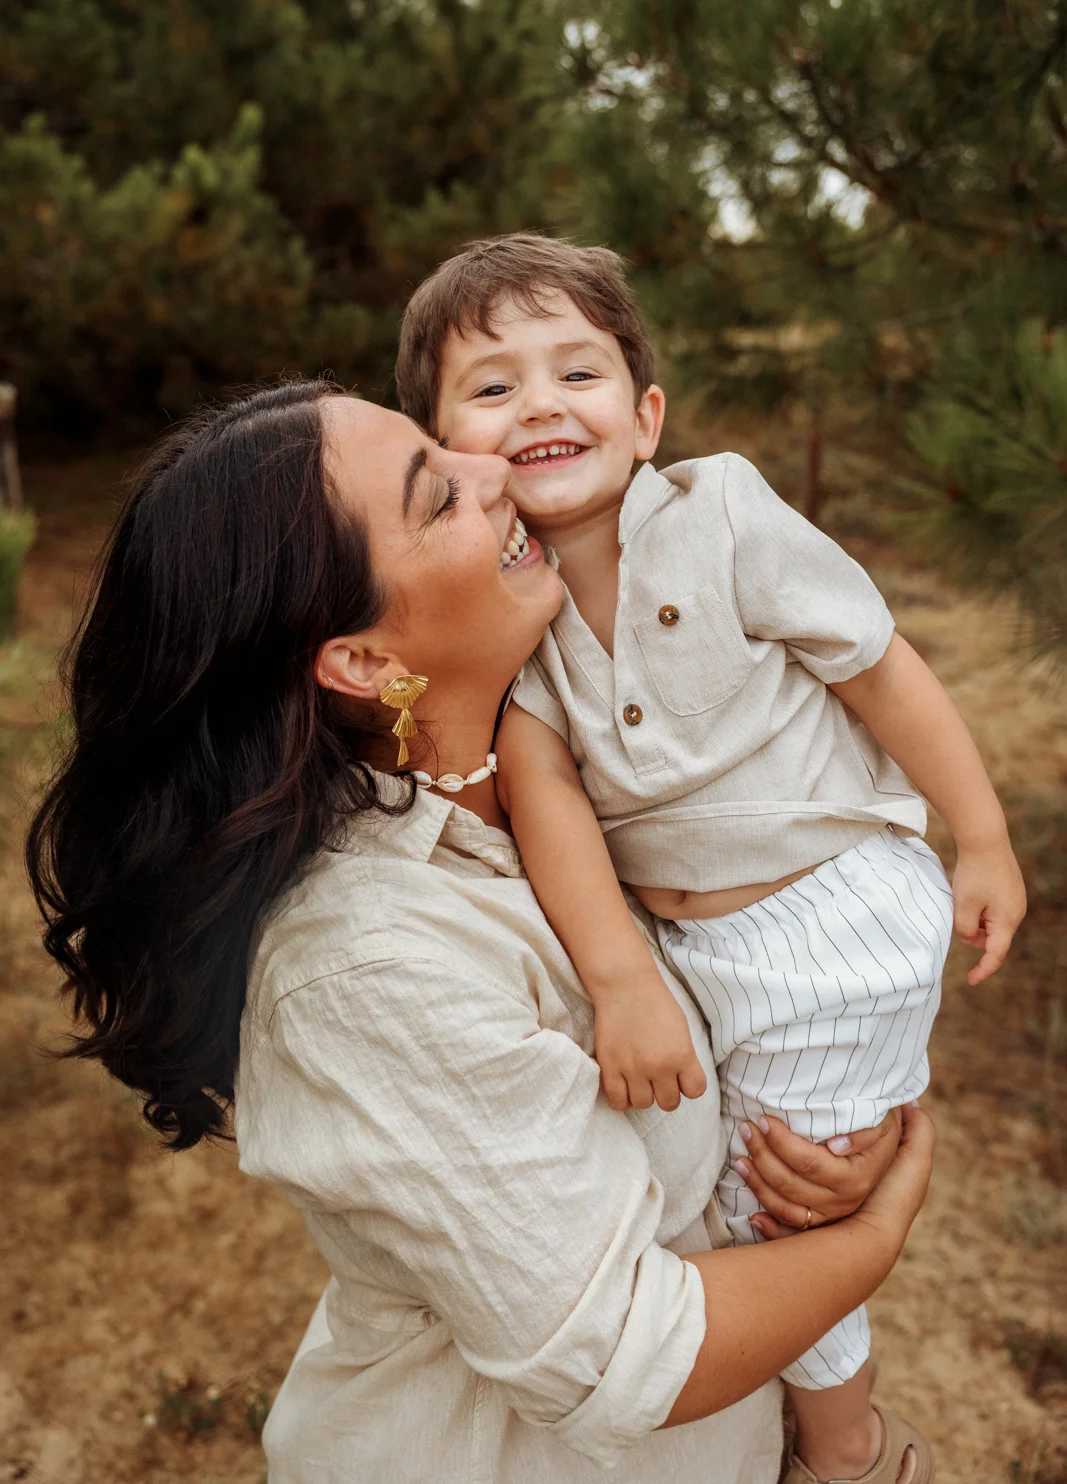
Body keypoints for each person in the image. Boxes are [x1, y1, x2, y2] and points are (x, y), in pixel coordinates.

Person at [27, 382, 933, 1484]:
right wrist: (873, 1232)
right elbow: (630, 1356)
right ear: (361, 662)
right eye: (434, 492)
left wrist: (831, 1138)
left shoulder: (593, 767)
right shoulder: (364, 968)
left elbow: (782, 970)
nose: (491, 468)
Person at [396, 234, 1028, 1484]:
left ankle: (844, 1454)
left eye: (574, 372)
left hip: (828, 920)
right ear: (444, 445)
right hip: (693, 950)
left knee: (776, 1202)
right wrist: (626, 980)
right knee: (712, 1188)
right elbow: (550, 797)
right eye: (491, 385)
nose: (536, 403)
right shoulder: (510, 606)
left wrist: (985, 835)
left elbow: (875, 663)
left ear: (642, 416)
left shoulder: (721, 511)